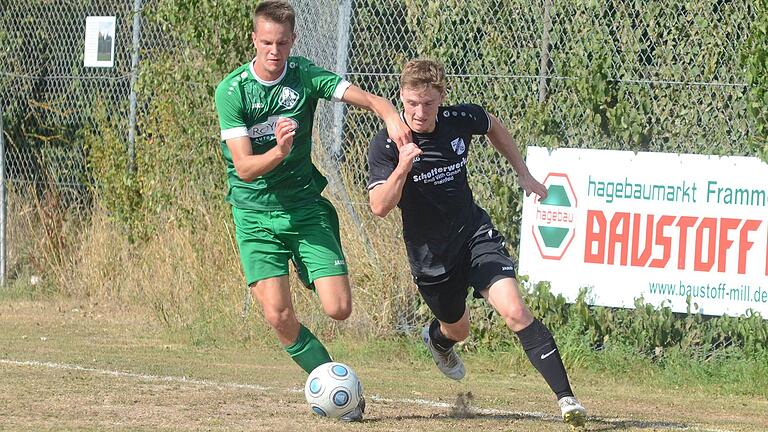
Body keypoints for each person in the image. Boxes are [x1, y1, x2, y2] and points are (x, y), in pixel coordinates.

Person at [214, 0, 411, 421]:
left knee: (339, 308)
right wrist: (281, 151)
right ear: (254, 40)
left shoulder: (303, 76)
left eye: (281, 43)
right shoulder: (232, 92)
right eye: (266, 42)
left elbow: (363, 97)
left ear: (292, 41)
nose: (273, 51)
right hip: (254, 215)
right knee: (278, 316)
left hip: (304, 208)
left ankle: (309, 266)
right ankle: (336, 391)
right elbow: (245, 168)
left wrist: (390, 113)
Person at [366, 59, 587, 428]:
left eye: (428, 104)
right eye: (411, 104)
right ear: (401, 97)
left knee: (515, 311)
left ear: (441, 98)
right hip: (431, 258)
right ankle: (438, 340)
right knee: (459, 330)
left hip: (472, 235)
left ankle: (568, 400)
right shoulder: (387, 144)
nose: (419, 113)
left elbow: (491, 124)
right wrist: (403, 167)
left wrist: (523, 172)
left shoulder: (458, 119)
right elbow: (378, 207)